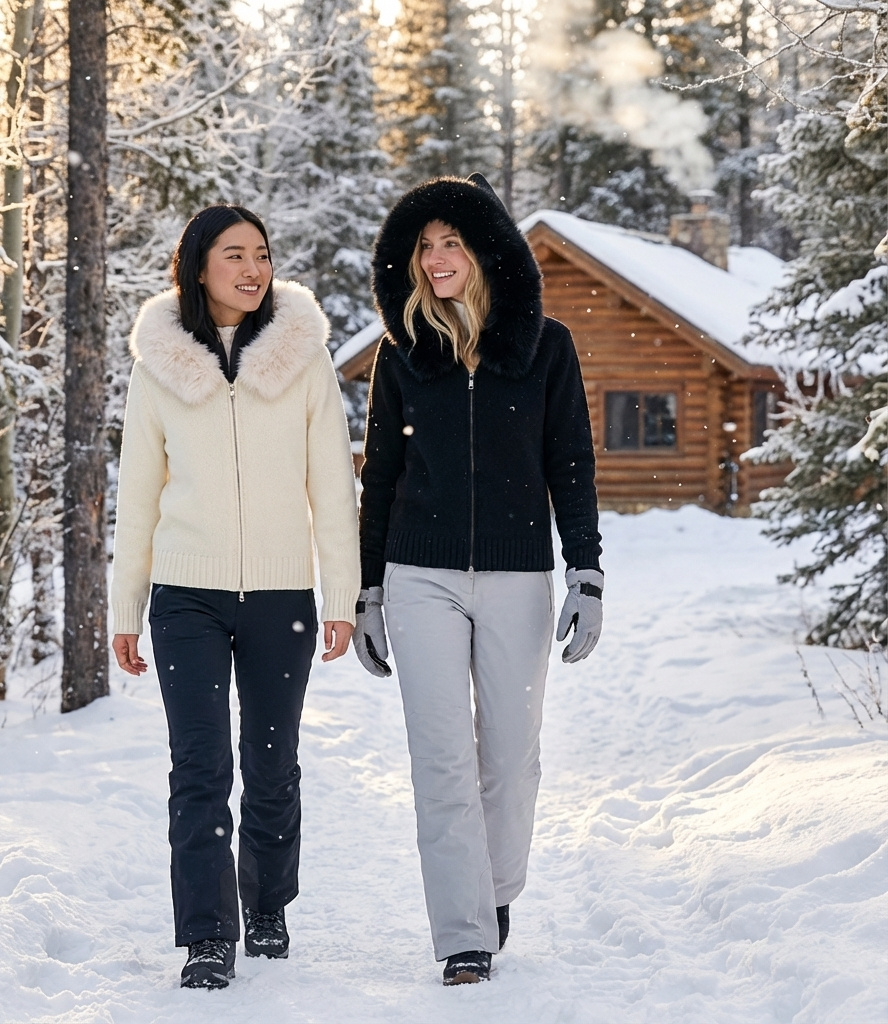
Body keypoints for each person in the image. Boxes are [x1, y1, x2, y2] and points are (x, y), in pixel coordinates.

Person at [352, 175, 604, 985]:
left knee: (509, 758)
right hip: (419, 575)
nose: (436, 259)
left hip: (517, 576)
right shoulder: (401, 353)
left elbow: (570, 463)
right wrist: (368, 590)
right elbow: (380, 476)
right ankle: (464, 933)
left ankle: (493, 892)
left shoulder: (545, 348)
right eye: (425, 246)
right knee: (441, 757)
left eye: (452, 243)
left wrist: (587, 571)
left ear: (487, 251)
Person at [110, 205, 360, 990]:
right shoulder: (157, 366)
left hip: (281, 595)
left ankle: (269, 904)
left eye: (261, 254)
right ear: (198, 267)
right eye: (234, 255)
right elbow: (137, 496)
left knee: (272, 763)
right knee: (200, 766)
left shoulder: (303, 359)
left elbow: (332, 485)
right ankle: (208, 935)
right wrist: (125, 610)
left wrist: (341, 596)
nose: (253, 269)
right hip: (185, 595)